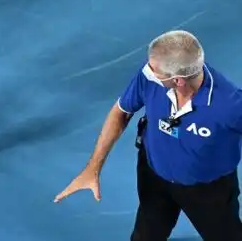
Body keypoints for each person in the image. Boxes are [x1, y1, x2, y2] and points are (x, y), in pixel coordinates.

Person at [54, 30, 242, 241]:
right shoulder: (150, 76)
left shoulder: (231, 105)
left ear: (177, 80)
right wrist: (92, 169)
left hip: (208, 192)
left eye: (155, 71)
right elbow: (121, 112)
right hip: (154, 176)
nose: (148, 71)